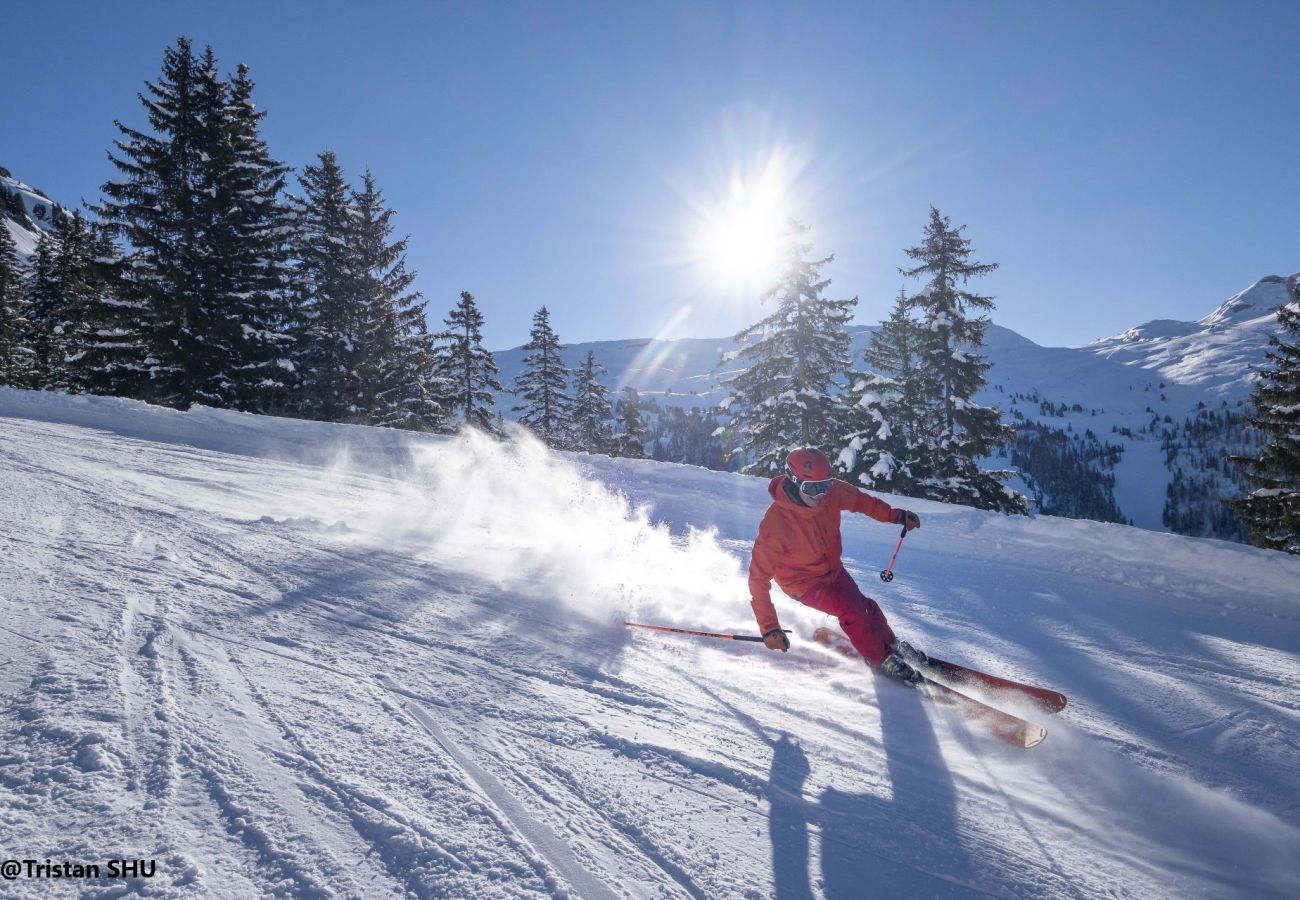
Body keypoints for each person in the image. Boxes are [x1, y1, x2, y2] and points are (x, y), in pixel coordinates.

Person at [748, 447, 926, 684]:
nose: (821, 494)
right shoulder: (776, 523)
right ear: (793, 481)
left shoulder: (831, 492)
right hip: (802, 583)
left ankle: (891, 645)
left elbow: (863, 502)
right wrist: (769, 628)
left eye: (825, 485)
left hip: (833, 570)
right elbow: (758, 579)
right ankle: (880, 660)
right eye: (812, 489)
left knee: (866, 607)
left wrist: (896, 516)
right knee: (850, 611)